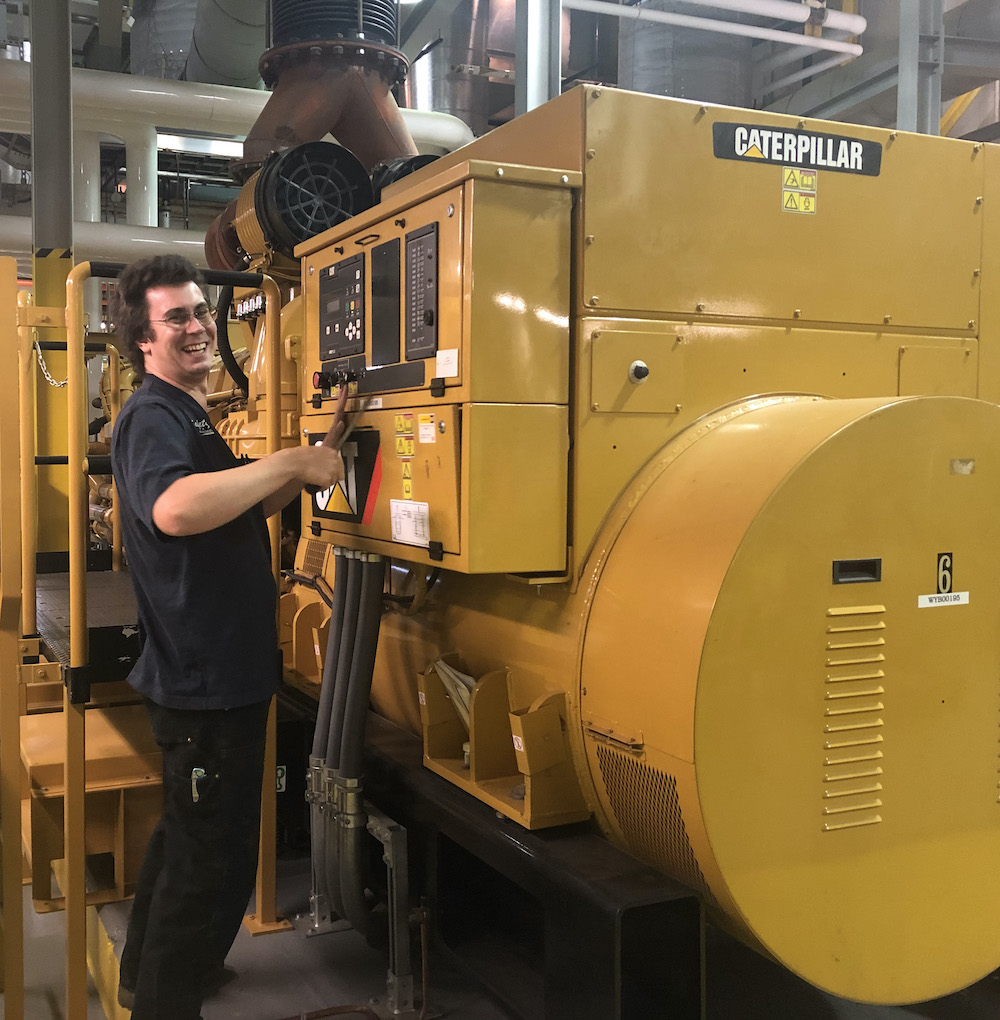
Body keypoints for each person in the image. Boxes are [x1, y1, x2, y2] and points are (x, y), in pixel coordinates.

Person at [109, 255, 346, 1018]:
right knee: (212, 858)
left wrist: (307, 465)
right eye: (175, 318)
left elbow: (231, 510)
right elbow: (175, 510)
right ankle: (165, 1004)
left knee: (187, 839)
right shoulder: (153, 415)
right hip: (204, 680)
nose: (197, 327)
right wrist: (286, 458)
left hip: (213, 674)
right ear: (142, 340)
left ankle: (147, 973)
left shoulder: (189, 415)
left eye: (199, 313)